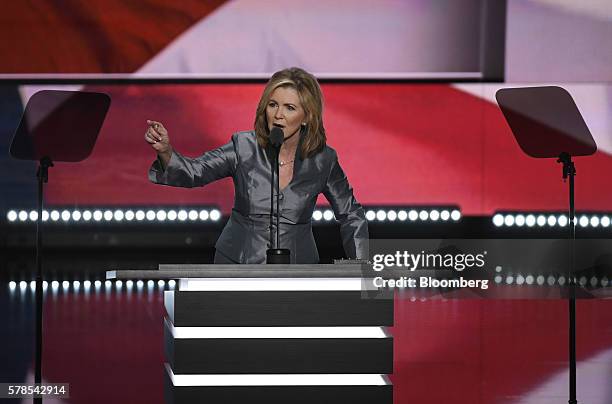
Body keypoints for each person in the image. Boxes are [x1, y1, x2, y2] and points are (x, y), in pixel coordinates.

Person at [145, 67, 368, 264]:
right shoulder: (243, 147)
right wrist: (166, 151)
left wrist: (362, 268)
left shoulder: (323, 160)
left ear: (307, 116)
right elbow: (195, 172)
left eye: (289, 108)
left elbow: (351, 214)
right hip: (237, 263)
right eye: (273, 105)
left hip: (298, 268)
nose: (278, 115)